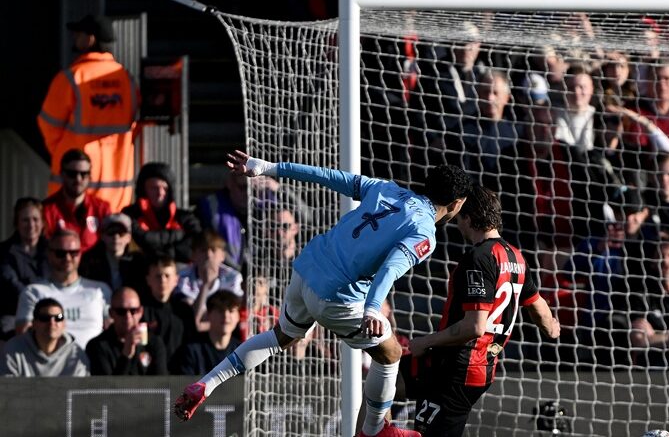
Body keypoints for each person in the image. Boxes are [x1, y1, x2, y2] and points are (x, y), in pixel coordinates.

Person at [173, 150, 472, 437]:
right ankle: (374, 431)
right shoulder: (424, 232)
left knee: (282, 337)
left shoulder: (386, 188)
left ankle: (207, 384)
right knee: (391, 353)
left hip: (307, 269)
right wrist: (372, 308)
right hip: (338, 295)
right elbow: (392, 268)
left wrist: (267, 167)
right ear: (457, 204)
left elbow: (325, 176)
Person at [408, 187, 560, 436]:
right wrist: (552, 328)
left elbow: (474, 326)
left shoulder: (479, 258)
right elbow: (539, 307)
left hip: (458, 369)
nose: (458, 225)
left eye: (459, 218)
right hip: (471, 365)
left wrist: (426, 341)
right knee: (386, 381)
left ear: (468, 218)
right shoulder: (517, 258)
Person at [37, 14, 139, 212]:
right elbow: (135, 126)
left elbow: (48, 126)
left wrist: (65, 154)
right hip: (117, 193)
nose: (74, 37)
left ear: (91, 39)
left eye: (79, 33)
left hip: (74, 188)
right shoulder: (127, 79)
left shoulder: (71, 77)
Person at [15, 229, 112, 348]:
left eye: (73, 253)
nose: (67, 258)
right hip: (51, 364)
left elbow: (113, 331)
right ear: (49, 254)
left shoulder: (100, 290)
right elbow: (23, 337)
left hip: (93, 363)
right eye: (60, 253)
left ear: (80, 254)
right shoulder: (33, 292)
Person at [122, 162, 202, 263]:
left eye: (165, 188)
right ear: (143, 189)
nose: (160, 193)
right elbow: (141, 240)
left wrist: (164, 253)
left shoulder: (186, 218)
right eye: (154, 188)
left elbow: (194, 247)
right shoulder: (129, 215)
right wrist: (177, 235)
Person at [86, 287, 168, 375]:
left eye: (133, 311)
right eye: (121, 311)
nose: (128, 317)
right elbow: (107, 387)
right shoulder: (97, 346)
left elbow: (161, 384)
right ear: (111, 313)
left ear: (140, 312)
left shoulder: (154, 343)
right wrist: (126, 355)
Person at [42, 149, 112, 253]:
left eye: (84, 174)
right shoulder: (46, 209)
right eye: (72, 174)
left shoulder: (102, 209)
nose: (78, 179)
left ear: (90, 177)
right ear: (62, 174)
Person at [174, 230, 243, 332]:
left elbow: (233, 317)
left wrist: (206, 325)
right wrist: (205, 285)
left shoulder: (233, 277)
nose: (209, 255)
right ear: (193, 255)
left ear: (223, 256)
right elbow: (194, 319)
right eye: (203, 250)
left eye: (213, 250)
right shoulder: (182, 279)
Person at [1, 298, 89, 376]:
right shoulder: (12, 349)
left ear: (64, 323)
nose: (52, 323)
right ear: (34, 323)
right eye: (44, 318)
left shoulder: (76, 354)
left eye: (58, 317)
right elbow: (8, 391)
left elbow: (78, 392)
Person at [1, 198, 49, 339]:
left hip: (48, 309)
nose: (31, 225)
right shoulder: (4, 252)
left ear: (42, 223)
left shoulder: (53, 250)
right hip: (13, 313)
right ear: (16, 223)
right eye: (25, 220)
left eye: (35, 219)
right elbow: (12, 284)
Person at [171, 291, 242, 375]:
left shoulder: (242, 351)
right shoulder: (192, 350)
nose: (225, 316)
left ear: (238, 316)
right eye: (220, 310)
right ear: (208, 315)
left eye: (231, 311)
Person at [79, 213, 145, 292]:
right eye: (111, 232)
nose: (116, 237)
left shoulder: (139, 262)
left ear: (129, 237)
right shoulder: (89, 262)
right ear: (102, 236)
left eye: (121, 232)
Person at [140, 256, 190, 359]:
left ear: (176, 280)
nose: (163, 280)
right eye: (158, 276)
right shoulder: (140, 311)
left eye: (167, 276)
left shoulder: (184, 311)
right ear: (148, 280)